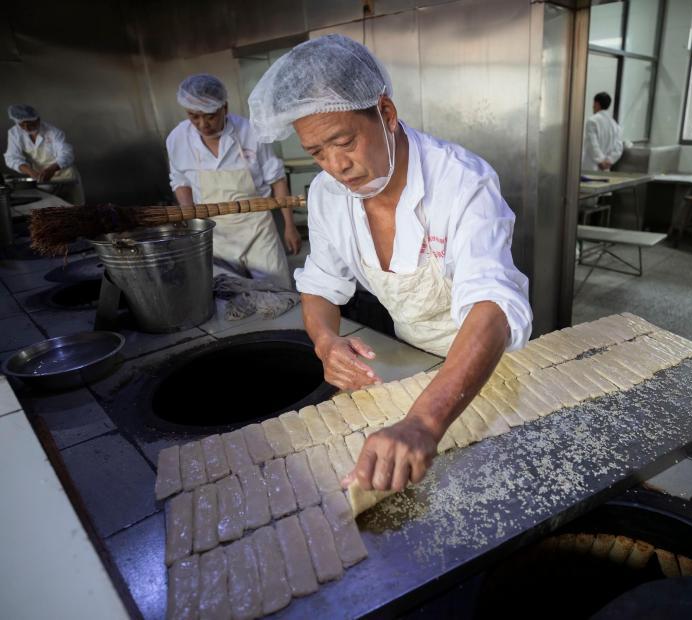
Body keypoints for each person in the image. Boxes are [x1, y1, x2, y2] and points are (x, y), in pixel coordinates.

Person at [248, 34, 532, 493]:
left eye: (343, 142)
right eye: (317, 153)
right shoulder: (327, 195)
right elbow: (321, 284)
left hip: (485, 365)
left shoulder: (461, 181)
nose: (336, 166)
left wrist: (422, 421)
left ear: (386, 114)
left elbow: (492, 303)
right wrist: (325, 344)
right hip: (410, 360)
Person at [166, 74, 301, 290]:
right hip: (214, 232)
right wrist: (190, 222)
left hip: (257, 228)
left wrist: (289, 226)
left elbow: (277, 179)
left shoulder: (249, 132)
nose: (202, 124)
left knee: (277, 291)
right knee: (228, 295)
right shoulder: (177, 138)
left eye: (210, 116)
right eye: (194, 117)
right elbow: (180, 181)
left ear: (224, 108)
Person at [4, 104, 85, 205]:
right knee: (48, 212)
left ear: (37, 119)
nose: (26, 128)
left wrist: (51, 169)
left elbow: (67, 153)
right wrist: (30, 172)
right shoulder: (14, 133)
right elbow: (12, 157)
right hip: (42, 178)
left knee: (72, 210)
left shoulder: (53, 132)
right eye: (21, 125)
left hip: (66, 177)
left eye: (30, 123)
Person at [581, 92, 624, 172]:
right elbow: (618, 148)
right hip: (605, 169)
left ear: (597, 104)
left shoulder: (592, 121)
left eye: (593, 104)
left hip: (591, 167)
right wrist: (609, 160)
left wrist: (601, 161)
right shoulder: (615, 125)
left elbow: (592, 143)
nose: (593, 107)